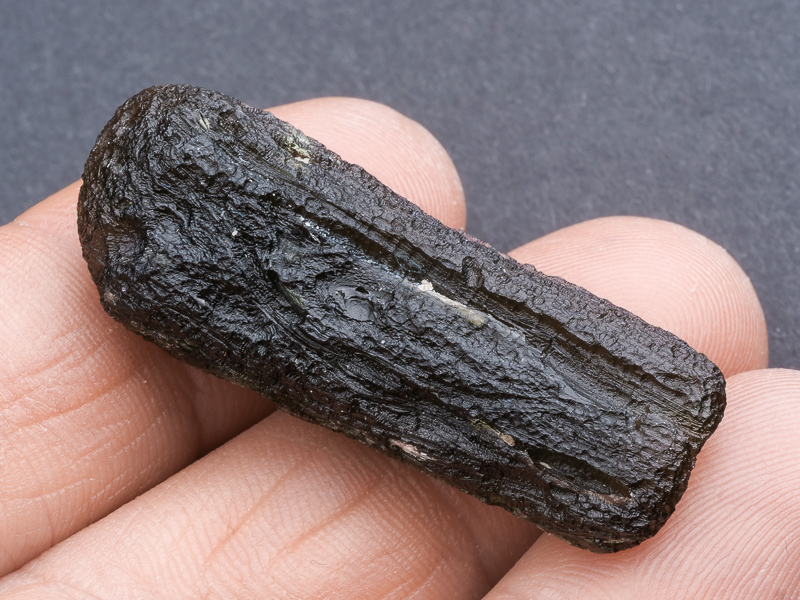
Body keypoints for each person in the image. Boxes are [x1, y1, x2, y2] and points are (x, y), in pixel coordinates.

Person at [0, 97, 795, 599]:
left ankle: (635, 435)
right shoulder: (169, 222)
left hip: (632, 427)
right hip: (618, 447)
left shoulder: (176, 202)